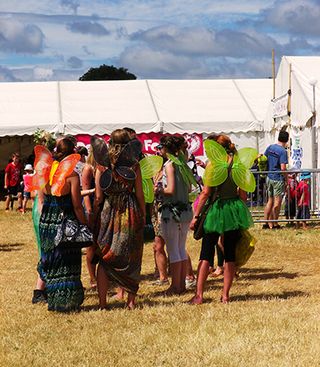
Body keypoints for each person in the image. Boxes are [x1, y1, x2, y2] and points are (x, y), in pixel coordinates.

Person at [189, 134, 253, 304]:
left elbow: (205, 193)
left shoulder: (214, 165)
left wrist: (195, 216)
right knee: (229, 254)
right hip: (233, 209)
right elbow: (244, 196)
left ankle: (199, 295)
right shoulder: (238, 164)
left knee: (206, 253)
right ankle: (225, 295)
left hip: (216, 210)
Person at [93, 129, 145, 310]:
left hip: (108, 211)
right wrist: (143, 214)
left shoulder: (101, 165)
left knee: (105, 257)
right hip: (129, 210)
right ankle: (130, 302)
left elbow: (99, 196)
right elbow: (139, 194)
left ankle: (102, 303)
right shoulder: (134, 164)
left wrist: (94, 214)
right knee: (132, 255)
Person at [38, 137, 88, 312]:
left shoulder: (46, 171)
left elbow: (42, 198)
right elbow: (76, 204)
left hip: (47, 222)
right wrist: (85, 223)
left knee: (52, 261)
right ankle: (67, 302)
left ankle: (54, 301)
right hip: (64, 222)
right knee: (67, 261)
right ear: (72, 153)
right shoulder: (71, 174)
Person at [156, 135, 193, 295]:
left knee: (173, 250)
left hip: (171, 211)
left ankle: (175, 286)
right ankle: (181, 285)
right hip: (185, 210)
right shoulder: (182, 164)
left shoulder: (170, 165)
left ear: (165, 148)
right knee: (180, 248)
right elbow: (190, 188)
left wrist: (158, 190)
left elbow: (170, 189)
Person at [263, 130, 289, 229]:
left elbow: (264, 159)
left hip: (269, 177)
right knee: (277, 202)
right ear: (286, 140)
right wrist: (286, 179)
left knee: (270, 201)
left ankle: (265, 223)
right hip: (277, 178)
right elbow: (283, 168)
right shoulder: (283, 151)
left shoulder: (270, 147)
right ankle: (274, 224)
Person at [81, 149, 97, 290]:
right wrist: (89, 211)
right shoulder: (88, 168)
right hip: (90, 207)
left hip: (101, 207)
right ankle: (93, 278)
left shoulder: (102, 167)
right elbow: (85, 192)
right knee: (91, 245)